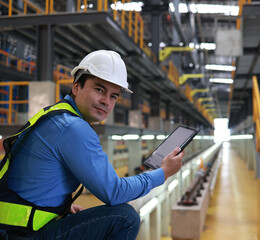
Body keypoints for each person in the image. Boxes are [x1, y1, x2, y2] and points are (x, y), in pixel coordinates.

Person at [0, 50, 184, 240]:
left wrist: (58, 207)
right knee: (125, 218)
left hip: (12, 229)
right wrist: (162, 173)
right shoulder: (73, 128)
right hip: (22, 235)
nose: (106, 101)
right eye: (99, 89)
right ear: (76, 87)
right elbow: (114, 192)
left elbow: (34, 180)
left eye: (113, 96)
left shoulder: (57, 115)